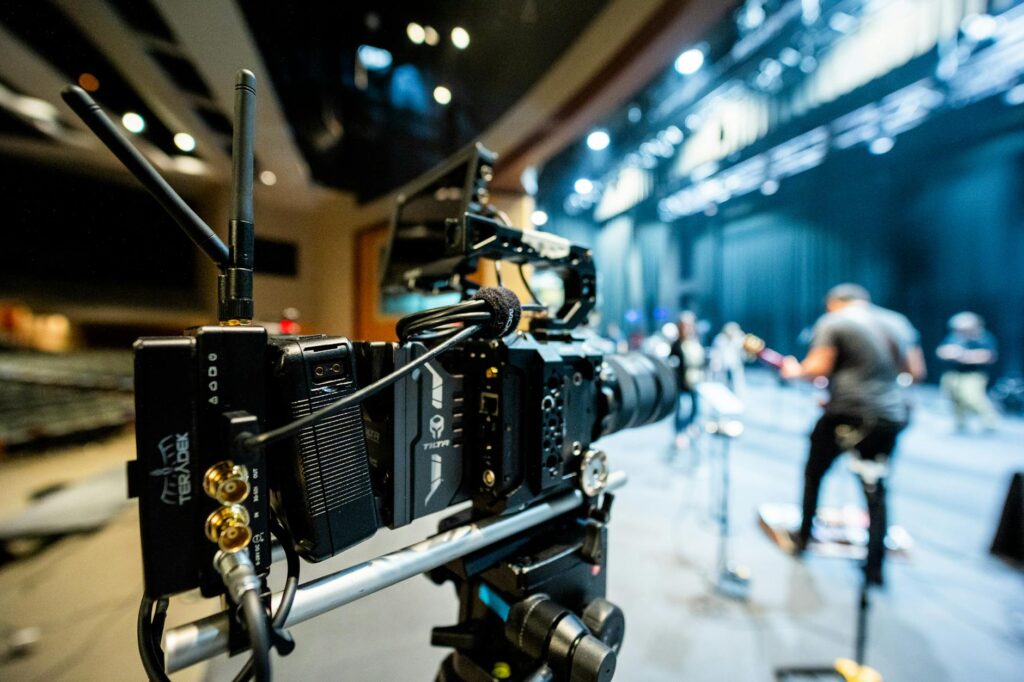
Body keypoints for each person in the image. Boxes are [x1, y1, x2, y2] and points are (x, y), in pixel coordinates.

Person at [780, 283, 925, 586]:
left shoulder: (833, 322)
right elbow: (916, 371)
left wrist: (793, 370)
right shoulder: (897, 322)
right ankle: (875, 568)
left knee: (815, 473)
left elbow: (816, 368)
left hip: (847, 412)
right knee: (876, 489)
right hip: (889, 416)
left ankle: (804, 537)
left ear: (834, 303)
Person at [936, 312, 999, 432]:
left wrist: (965, 356)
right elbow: (941, 351)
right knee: (954, 398)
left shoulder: (983, 338)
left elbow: (989, 356)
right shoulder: (954, 338)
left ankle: (990, 421)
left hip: (973, 374)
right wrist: (950, 353)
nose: (960, 331)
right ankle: (960, 422)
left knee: (972, 397)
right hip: (953, 373)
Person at [670, 312, 706, 449]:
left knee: (696, 408)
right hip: (681, 381)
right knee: (680, 409)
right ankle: (679, 433)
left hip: (695, 380)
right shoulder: (677, 344)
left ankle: (691, 427)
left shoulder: (695, 342)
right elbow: (673, 362)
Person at [710, 322, 747, 396]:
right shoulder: (720, 340)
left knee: (736, 388)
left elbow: (744, 356)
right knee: (723, 387)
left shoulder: (739, 340)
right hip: (722, 368)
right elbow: (715, 353)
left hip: (734, 368)